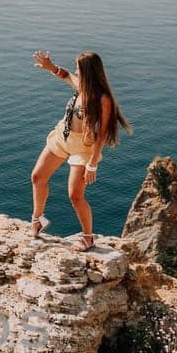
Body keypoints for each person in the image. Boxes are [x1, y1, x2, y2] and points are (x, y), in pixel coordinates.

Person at [29, 50, 131, 248]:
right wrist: (51, 67)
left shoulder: (103, 99)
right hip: (62, 137)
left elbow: (101, 134)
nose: (76, 70)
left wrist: (92, 164)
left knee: (75, 195)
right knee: (37, 177)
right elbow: (66, 75)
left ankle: (88, 237)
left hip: (83, 148)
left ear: (88, 71)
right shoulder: (81, 86)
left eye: (79, 67)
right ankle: (37, 219)